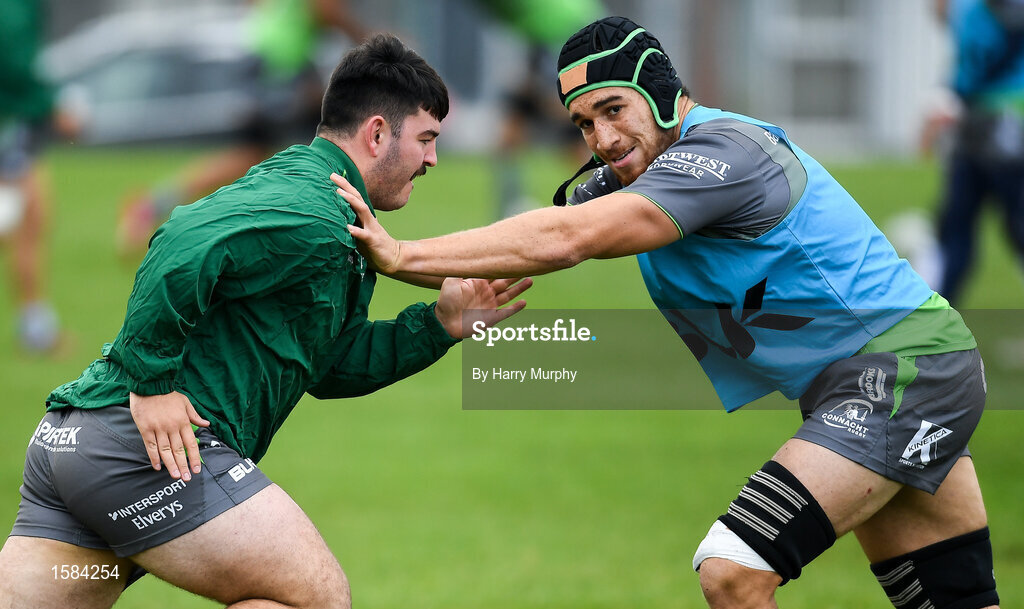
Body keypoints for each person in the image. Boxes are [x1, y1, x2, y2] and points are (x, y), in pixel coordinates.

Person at [333, 16, 1000, 609]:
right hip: (879, 381)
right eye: (584, 123)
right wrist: (433, 291)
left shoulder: (724, 155)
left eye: (614, 109)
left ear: (658, 93)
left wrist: (400, 254)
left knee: (733, 568)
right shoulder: (633, 170)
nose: (602, 136)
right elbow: (539, 231)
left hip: (904, 373)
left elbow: (571, 239)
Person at [0, 34, 529, 608]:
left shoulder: (323, 204)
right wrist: (150, 385)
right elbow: (183, 241)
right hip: (142, 452)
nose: (432, 159)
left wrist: (436, 327)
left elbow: (325, 365)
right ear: (377, 134)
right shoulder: (314, 209)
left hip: (73, 445)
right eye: (426, 139)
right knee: (315, 597)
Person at [116, 0, 370, 257]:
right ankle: (327, 238)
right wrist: (369, 42)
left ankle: (153, 207)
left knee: (253, 157)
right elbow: (326, 10)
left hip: (272, 59)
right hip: (281, 66)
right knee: (321, 152)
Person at [925, 0, 1024, 304]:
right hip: (974, 131)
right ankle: (938, 316)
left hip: (1008, 132)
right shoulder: (968, 11)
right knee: (955, 227)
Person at [0, 0, 78, 353]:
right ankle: (36, 332)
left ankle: (36, 329)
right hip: (11, 121)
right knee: (26, 222)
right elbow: (14, 63)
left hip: (15, 121)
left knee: (25, 221)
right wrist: (50, 104)